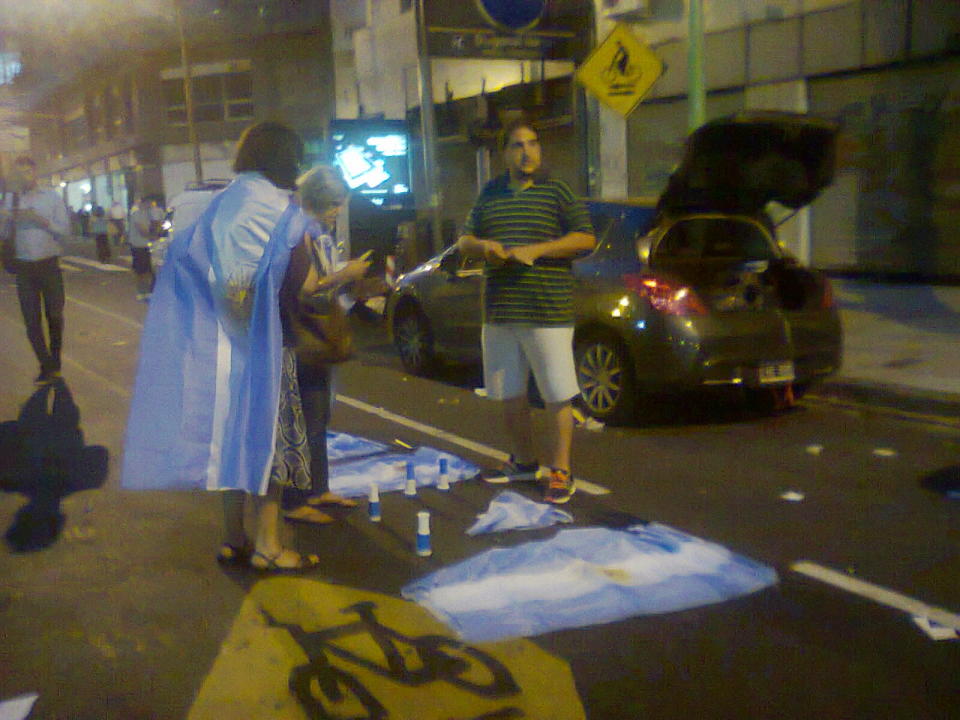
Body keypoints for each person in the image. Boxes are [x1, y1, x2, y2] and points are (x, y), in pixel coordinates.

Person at [122, 121, 321, 571]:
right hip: (267, 344)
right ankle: (269, 545)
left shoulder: (223, 203)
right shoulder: (278, 209)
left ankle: (233, 538)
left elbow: (193, 265)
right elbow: (301, 282)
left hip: (221, 345)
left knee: (232, 439)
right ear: (283, 159)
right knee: (270, 440)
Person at [457, 119, 596, 505]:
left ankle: (561, 469)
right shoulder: (491, 193)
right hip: (500, 311)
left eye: (533, 144)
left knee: (556, 395)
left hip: (547, 310)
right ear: (505, 154)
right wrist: (484, 247)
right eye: (518, 145)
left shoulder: (558, 191)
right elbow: (464, 239)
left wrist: (536, 250)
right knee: (510, 394)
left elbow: (585, 237)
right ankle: (522, 461)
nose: (527, 152)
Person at [280, 164, 371, 524]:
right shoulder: (302, 230)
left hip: (314, 331)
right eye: (334, 203)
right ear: (318, 200)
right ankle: (296, 498)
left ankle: (318, 489)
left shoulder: (317, 230)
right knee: (303, 419)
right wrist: (346, 274)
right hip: (302, 332)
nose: (337, 211)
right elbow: (308, 285)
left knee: (317, 415)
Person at [0, 155, 71, 384]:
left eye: (27, 172)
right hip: (24, 267)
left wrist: (41, 220)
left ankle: (55, 361)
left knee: (55, 315)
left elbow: (65, 231)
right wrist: (7, 220)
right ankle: (46, 365)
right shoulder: (10, 201)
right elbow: (3, 236)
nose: (24, 177)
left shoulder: (51, 198)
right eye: (19, 173)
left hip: (49, 264)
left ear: (35, 172)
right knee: (31, 320)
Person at [127, 197, 156, 301]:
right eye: (148, 203)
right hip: (138, 246)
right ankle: (141, 291)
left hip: (146, 245)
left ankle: (148, 291)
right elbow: (142, 230)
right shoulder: (137, 214)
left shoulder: (148, 214)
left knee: (148, 270)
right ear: (143, 204)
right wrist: (153, 236)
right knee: (140, 271)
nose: (150, 205)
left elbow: (155, 225)